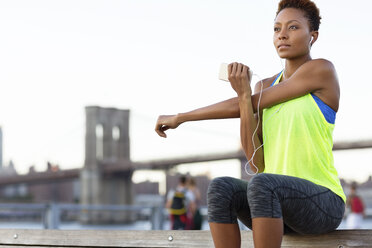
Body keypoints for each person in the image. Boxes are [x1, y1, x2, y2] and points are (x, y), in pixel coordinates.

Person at [155, 0, 345, 247]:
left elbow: (250, 102)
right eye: (276, 29)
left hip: (323, 203)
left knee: (264, 184)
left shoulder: (321, 70)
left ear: (313, 36)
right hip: (273, 203)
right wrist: (245, 99)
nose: (282, 35)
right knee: (222, 188)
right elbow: (257, 162)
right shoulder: (263, 86)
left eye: (294, 27)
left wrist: (182, 117)